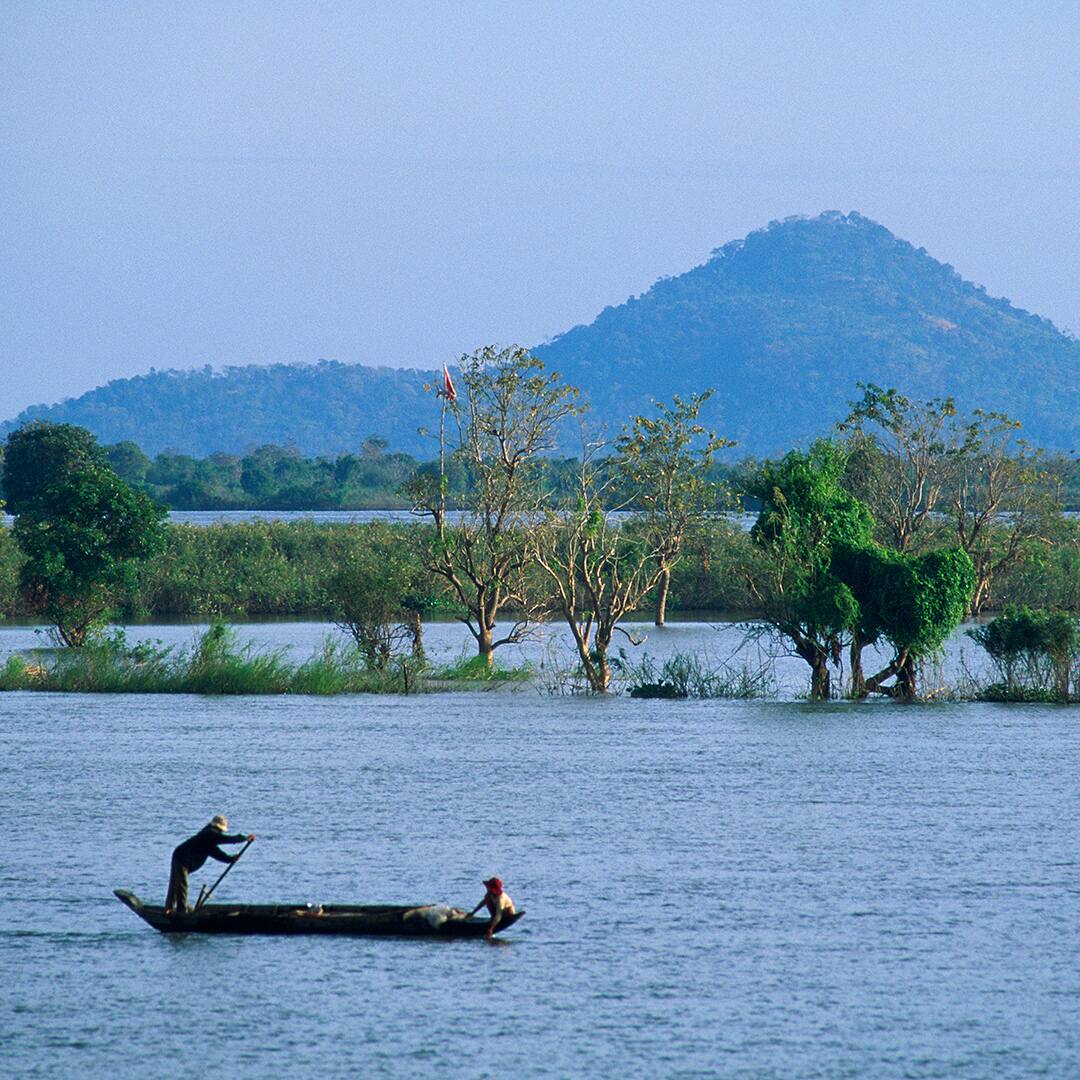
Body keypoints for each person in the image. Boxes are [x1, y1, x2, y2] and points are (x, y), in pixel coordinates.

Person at [164, 815, 255, 915]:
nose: (221, 833)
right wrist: (245, 838)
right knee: (181, 885)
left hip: (181, 857)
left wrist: (230, 859)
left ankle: (170, 908)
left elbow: (216, 853)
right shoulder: (210, 833)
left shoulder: (209, 840)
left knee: (177, 883)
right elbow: (227, 839)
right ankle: (180, 912)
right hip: (181, 858)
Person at [464, 876, 515, 941]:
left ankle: (493, 922)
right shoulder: (490, 894)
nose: (486, 888)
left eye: (488, 887)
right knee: (487, 898)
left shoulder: (501, 899)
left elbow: (498, 914)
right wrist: (472, 913)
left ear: (492, 889)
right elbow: (483, 903)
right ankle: (493, 920)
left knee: (496, 917)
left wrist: (491, 928)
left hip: (506, 914)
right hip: (497, 915)